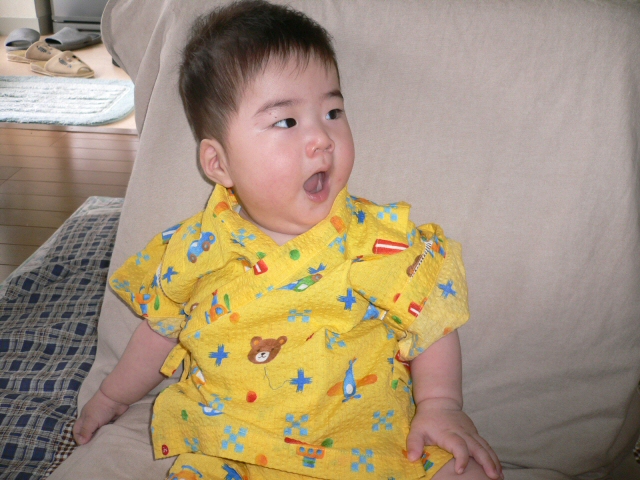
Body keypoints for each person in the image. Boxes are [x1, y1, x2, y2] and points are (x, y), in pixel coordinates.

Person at [73, 1, 502, 479]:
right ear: (219, 163)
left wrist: (441, 405)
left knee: (465, 471)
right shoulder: (198, 249)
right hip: (234, 448)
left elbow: (432, 321)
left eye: (333, 112)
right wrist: (111, 396)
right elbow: (159, 330)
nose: (322, 138)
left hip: (369, 447)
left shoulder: (376, 240)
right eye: (287, 122)